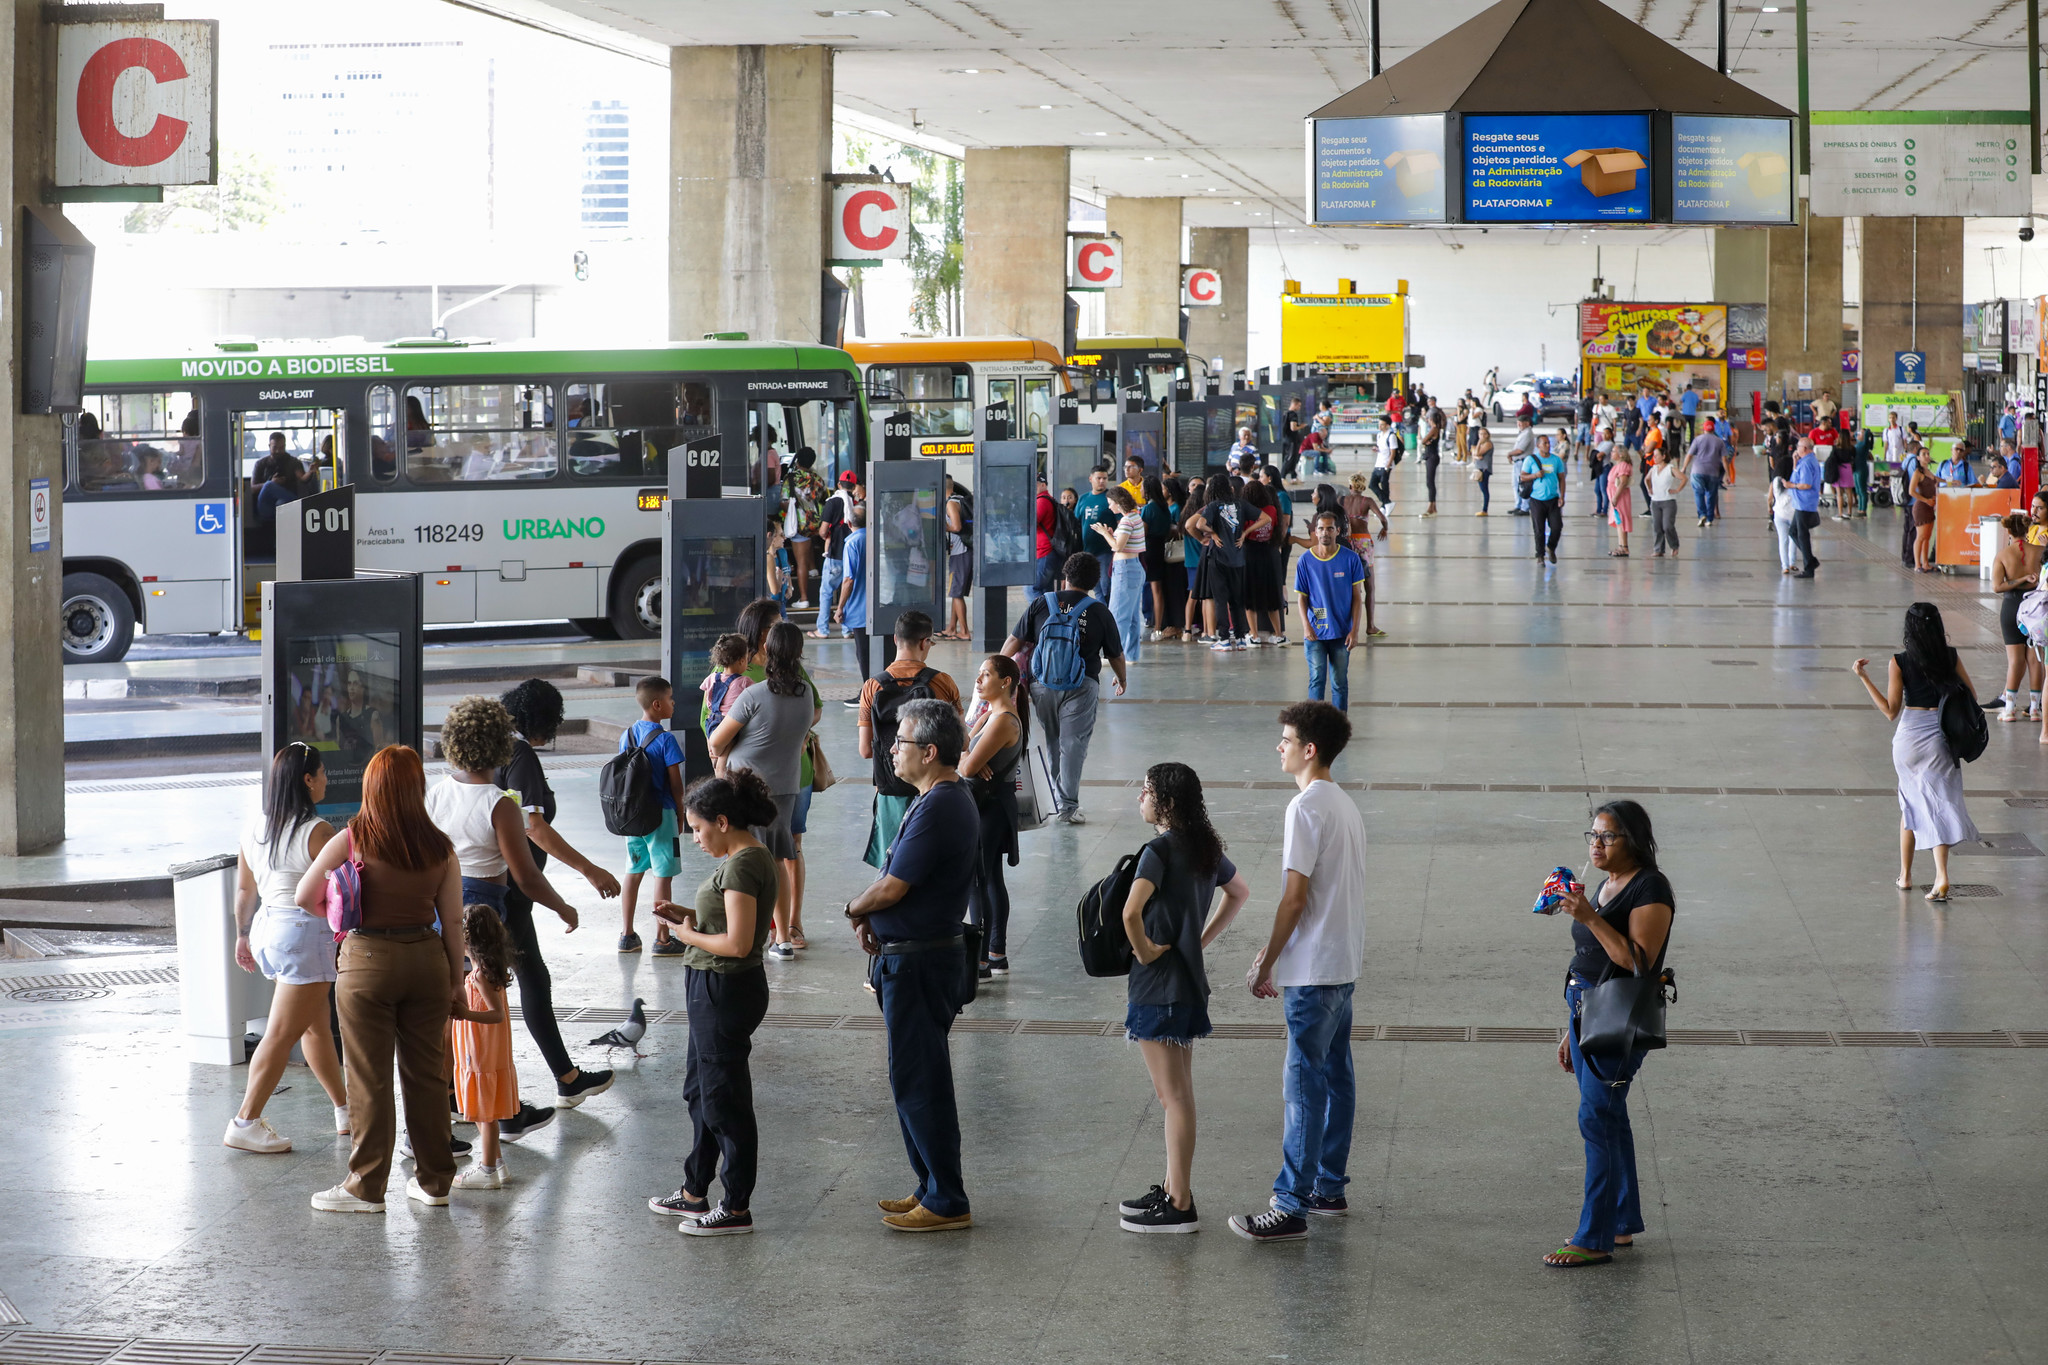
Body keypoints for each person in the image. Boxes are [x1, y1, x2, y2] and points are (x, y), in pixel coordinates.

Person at [295, 745, 464, 1214]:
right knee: (428, 1076)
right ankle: (435, 1183)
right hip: (428, 962)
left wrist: (340, 915)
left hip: (366, 961)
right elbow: (453, 922)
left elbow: (304, 895)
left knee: (369, 1078)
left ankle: (366, 1187)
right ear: (417, 789)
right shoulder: (440, 846)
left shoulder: (352, 839)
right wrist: (455, 981)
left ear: (371, 788)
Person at [1232, 702, 1369, 1244]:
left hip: (1312, 971)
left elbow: (1295, 898)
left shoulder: (1305, 808)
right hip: (1341, 961)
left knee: (1303, 1086)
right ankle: (1328, 1187)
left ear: (1309, 749)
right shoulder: (1344, 805)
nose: (1280, 747)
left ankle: (1290, 1205)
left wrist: (1267, 961)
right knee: (1336, 1077)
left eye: (1287, 740)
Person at [843, 699, 980, 1233]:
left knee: (921, 1081)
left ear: (929, 751)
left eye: (899, 741)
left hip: (921, 965)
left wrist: (854, 908)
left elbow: (894, 886)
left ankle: (947, 1200)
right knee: (913, 1077)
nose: (891, 749)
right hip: (912, 958)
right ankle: (929, 1185)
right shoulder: (933, 798)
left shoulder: (942, 803)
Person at [1115, 763, 1251, 1234]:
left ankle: (1180, 1203)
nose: (1141, 798)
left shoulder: (1157, 851)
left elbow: (1131, 912)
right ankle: (1174, 1188)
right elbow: (1239, 892)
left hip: (1159, 987)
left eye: (1147, 791)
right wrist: (1199, 939)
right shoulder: (1203, 847)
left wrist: (1144, 950)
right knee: (1179, 1095)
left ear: (1167, 803)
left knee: (1173, 1099)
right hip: (1188, 985)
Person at [643, 770, 781, 1236]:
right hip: (715, 987)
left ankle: (736, 1206)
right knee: (702, 1091)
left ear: (722, 821)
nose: (696, 838)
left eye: (699, 829)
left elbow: (738, 943)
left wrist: (686, 935)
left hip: (724, 988)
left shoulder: (742, 865)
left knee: (724, 1099)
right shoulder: (746, 858)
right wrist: (684, 917)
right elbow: (727, 922)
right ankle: (694, 1190)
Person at [1540, 800, 1675, 1268]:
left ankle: (1594, 1237)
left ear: (1631, 840)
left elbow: (1639, 962)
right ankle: (1620, 1222)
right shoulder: (1608, 882)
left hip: (1618, 1021)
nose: (1596, 845)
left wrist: (1589, 918)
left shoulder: (1649, 887)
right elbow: (1594, 961)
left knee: (1596, 1120)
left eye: (1607, 836)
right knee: (1609, 1118)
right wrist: (1572, 1030)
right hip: (1588, 1015)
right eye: (1593, 835)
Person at [494, 679, 619, 1107]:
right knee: (530, 979)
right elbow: (535, 827)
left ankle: (460, 1092)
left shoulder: (489, 751)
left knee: (491, 982)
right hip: (510, 888)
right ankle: (565, 1079)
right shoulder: (519, 754)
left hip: (481, 884)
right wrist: (589, 870)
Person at [225, 744, 349, 1155]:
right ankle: (245, 1121)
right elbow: (342, 891)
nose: (327, 779)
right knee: (280, 1034)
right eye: (322, 772)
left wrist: (242, 935)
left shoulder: (254, 828)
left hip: (268, 931)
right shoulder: (318, 832)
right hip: (303, 937)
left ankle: (344, 1110)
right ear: (307, 780)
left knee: (314, 1025)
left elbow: (245, 890)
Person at [1853, 605, 1982, 902]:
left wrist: (1863, 677)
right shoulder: (1950, 657)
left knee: (1910, 802)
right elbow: (1972, 696)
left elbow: (1890, 711)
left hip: (1909, 739)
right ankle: (1941, 874)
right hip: (1941, 737)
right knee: (1940, 802)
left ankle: (1906, 876)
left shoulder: (1899, 661)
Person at [709, 621, 820, 961]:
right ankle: (782, 938)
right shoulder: (805, 694)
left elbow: (716, 741)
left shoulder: (754, 694)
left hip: (746, 789)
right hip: (785, 787)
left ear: (767, 650)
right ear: (799, 653)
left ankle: (741, 934)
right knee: (778, 859)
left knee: (742, 860)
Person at [1001, 556, 1123, 824]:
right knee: (1073, 743)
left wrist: (994, 671)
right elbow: (1115, 654)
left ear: (1065, 576)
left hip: (1042, 684)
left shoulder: (1042, 603)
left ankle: (1058, 798)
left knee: (1054, 740)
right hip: (1082, 685)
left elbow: (1015, 640)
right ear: (1094, 582)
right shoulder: (1099, 611)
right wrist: (1121, 679)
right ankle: (1066, 805)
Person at [859, 610, 963, 860]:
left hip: (891, 790)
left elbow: (865, 750)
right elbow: (962, 742)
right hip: (933, 790)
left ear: (896, 639)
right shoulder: (943, 683)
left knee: (893, 865)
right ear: (925, 642)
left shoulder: (872, 686)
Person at [447, 904, 520, 1190]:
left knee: (485, 1113)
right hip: (486, 1050)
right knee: (484, 1109)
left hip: (481, 1051)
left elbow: (496, 1014)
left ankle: (487, 1169)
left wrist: (465, 1014)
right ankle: (497, 1162)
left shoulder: (479, 976)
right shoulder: (488, 971)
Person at [961, 655, 1025, 979]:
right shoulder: (992, 714)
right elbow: (964, 749)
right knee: (990, 878)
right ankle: (995, 952)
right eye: (979, 673)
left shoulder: (1003, 721)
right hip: (991, 805)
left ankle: (982, 959)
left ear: (1006, 682)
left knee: (978, 880)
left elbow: (965, 766)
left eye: (986, 674)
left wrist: (969, 758)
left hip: (991, 807)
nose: (978, 680)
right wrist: (968, 755)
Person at [616, 677, 688, 954]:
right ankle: (662, 939)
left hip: (632, 817)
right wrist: (681, 815)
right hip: (661, 815)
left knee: (633, 872)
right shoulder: (666, 739)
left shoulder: (627, 735)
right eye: (670, 698)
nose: (673, 703)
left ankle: (627, 935)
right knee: (662, 875)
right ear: (657, 705)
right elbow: (676, 785)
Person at [1294, 510, 1366, 711]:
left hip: (1342, 633)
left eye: (1329, 528)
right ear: (1315, 532)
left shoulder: (1351, 559)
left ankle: (1339, 723)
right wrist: (1306, 627)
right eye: (1321, 529)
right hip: (1315, 633)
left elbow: (1357, 598)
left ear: (1338, 531)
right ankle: (1314, 723)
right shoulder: (1305, 561)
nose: (1325, 532)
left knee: (1339, 682)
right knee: (1316, 679)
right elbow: (1302, 598)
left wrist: (1354, 630)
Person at [1990, 511, 2044, 723]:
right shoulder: (2041, 551)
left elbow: (1997, 587)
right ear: (2028, 529)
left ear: (2008, 531)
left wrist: (2020, 579)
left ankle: (2010, 709)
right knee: (2035, 660)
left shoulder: (2003, 555)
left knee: (2015, 661)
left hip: (2012, 606)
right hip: (2036, 609)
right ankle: (2035, 709)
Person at [1188, 475, 1250, 650]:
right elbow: (1265, 518)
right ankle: (1240, 638)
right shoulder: (1240, 505)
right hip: (1237, 558)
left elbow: (1192, 524)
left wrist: (1209, 536)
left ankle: (1221, 637)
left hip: (1217, 557)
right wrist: (1245, 534)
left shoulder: (1212, 506)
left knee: (1218, 599)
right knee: (1237, 600)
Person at [1091, 485, 1147, 664]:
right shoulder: (1135, 516)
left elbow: (1117, 546)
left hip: (1125, 569)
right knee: (1132, 616)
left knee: (1117, 615)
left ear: (1118, 502)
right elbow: (1123, 542)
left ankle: (1112, 655)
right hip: (1135, 567)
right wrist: (1111, 534)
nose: (1109, 507)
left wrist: (1103, 533)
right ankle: (1131, 655)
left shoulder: (1126, 521)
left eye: (1110, 503)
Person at [1336, 476, 1390, 639]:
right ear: (1363, 487)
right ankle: (1370, 626)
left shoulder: (1341, 500)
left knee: (1349, 585)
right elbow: (1383, 518)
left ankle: (1346, 625)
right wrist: (1384, 529)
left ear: (1350, 486)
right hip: (1364, 543)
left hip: (1347, 542)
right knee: (1370, 586)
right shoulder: (1367, 501)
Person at [811, 472, 861, 638]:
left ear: (839, 485)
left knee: (826, 592)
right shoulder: (857, 504)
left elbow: (823, 530)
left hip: (835, 554)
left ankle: (822, 629)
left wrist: (826, 536)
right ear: (854, 486)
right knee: (848, 591)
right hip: (852, 555)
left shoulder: (832, 502)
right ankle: (847, 629)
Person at [1240, 481, 1286, 646]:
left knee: (1250, 596)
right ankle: (1279, 635)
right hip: (1268, 553)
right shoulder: (1272, 509)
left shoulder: (1246, 511)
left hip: (1250, 554)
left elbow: (1241, 531)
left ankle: (1254, 635)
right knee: (1272, 596)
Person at [781, 447, 828, 609]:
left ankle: (804, 598)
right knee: (808, 544)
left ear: (798, 461)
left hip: (799, 524)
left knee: (800, 561)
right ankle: (813, 569)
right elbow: (823, 497)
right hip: (815, 522)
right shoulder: (817, 478)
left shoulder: (791, 478)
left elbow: (784, 501)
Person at [834, 505, 871, 693]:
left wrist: (840, 607)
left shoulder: (852, 543)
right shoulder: (875, 539)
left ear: (849, 523)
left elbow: (849, 579)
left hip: (859, 609)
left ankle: (868, 692)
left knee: (863, 653)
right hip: (879, 606)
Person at [1142, 473, 1181, 643]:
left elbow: (1142, 533)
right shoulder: (1165, 508)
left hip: (1149, 549)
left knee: (1152, 589)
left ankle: (1155, 627)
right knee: (1158, 590)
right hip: (1161, 548)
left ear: (1147, 490)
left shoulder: (1148, 509)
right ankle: (1158, 627)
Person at [1521, 433, 1565, 565]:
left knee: (1557, 526)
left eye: (1548, 443)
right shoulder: (1530, 459)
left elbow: (1562, 479)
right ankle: (1540, 555)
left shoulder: (1556, 460)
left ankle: (1551, 547)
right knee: (1539, 529)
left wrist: (1562, 496)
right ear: (1538, 445)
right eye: (1544, 443)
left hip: (1553, 499)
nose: (1548, 445)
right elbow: (1523, 477)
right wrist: (1535, 475)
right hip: (1537, 500)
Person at [1077, 466, 1118, 601]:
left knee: (1106, 586)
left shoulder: (1111, 498)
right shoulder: (1083, 498)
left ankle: (1109, 612)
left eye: (1105, 478)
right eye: (1098, 478)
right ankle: (1102, 611)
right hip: (1087, 550)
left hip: (1105, 551)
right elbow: (1076, 522)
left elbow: (1120, 522)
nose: (1102, 481)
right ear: (1091, 479)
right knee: (1095, 587)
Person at [1680, 419, 1731, 527]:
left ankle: (1702, 514)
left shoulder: (1698, 439)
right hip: (1713, 472)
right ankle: (1709, 519)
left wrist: (1684, 467)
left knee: (1699, 493)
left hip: (1697, 471)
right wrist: (1728, 474)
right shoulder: (1719, 441)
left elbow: (1689, 455)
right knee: (1711, 495)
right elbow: (1724, 460)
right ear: (1713, 429)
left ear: (1704, 429)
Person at [942, 474, 974, 641]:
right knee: (955, 591)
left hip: (960, 551)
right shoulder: (959, 499)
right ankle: (952, 628)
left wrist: (942, 526)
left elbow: (956, 526)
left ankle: (965, 631)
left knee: (956, 593)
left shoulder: (951, 503)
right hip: (964, 550)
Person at [701, 633, 753, 731]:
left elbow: (707, 701)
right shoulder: (745, 682)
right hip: (732, 725)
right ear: (742, 661)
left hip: (713, 723)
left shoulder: (711, 678)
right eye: (747, 658)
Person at [1647, 449, 1681, 557]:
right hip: (1655, 501)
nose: (1654, 458)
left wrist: (1677, 490)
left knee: (1667, 526)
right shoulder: (1653, 469)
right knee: (1657, 526)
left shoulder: (1671, 468)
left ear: (1663, 456)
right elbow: (1646, 479)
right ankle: (1658, 549)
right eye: (1654, 456)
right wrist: (1649, 488)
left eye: (1657, 455)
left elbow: (1684, 478)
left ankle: (1674, 545)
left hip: (1668, 501)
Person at [1909, 460, 1938, 572]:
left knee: (1927, 537)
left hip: (1930, 507)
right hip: (1921, 507)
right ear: (1918, 458)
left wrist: (1950, 481)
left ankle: (1925, 563)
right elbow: (1911, 491)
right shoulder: (1917, 472)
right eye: (1924, 454)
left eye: (1927, 453)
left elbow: (1937, 480)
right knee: (1921, 536)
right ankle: (1917, 565)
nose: (1927, 456)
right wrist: (1926, 500)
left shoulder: (1929, 472)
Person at [1605, 444, 1633, 557]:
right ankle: (1621, 545)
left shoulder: (1623, 466)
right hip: (1615, 496)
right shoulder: (1617, 465)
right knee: (1618, 521)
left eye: (1613, 451)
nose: (1611, 453)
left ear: (1621, 454)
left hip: (1620, 497)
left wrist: (1616, 497)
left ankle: (1624, 547)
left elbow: (1623, 482)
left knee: (1621, 519)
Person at [1769, 472, 1801, 575]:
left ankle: (1785, 566)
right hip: (1793, 514)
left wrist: (1769, 508)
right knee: (1793, 539)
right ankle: (1792, 563)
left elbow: (1770, 497)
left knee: (1783, 541)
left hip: (1779, 514)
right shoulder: (1794, 480)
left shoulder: (1775, 480)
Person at [1418, 398, 1444, 517]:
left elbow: (1423, 440)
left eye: (1428, 419)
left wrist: (1426, 441)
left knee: (1430, 482)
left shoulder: (1434, 429)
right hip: (1431, 455)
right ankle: (1433, 507)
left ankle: (1431, 507)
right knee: (1430, 482)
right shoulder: (1435, 429)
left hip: (1432, 456)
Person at [1369, 420, 1400, 511]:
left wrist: (1388, 465)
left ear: (1387, 425)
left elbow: (1393, 452)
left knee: (1384, 484)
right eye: (1379, 424)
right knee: (1372, 484)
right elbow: (1381, 448)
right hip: (1378, 463)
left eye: (1382, 425)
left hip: (1386, 464)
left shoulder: (1391, 436)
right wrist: (1376, 449)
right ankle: (1387, 503)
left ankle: (1385, 506)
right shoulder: (1379, 435)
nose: (1380, 426)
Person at [1470, 422, 1494, 516]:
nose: (1482, 436)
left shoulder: (1488, 444)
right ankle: (1484, 509)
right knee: (1482, 489)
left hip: (1484, 469)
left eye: (1484, 434)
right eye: (1480, 434)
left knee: (1484, 490)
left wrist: (1479, 443)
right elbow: (1474, 455)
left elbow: (1477, 453)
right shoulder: (1482, 444)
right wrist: (1476, 456)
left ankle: (1485, 510)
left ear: (1488, 435)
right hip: (1479, 468)